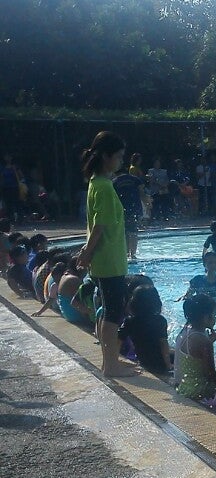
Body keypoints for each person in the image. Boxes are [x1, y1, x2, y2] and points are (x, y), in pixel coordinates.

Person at [77, 131, 138, 377]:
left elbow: (95, 224)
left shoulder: (95, 182)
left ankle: (109, 361)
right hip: (109, 260)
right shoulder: (103, 186)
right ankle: (111, 365)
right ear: (106, 156)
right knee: (113, 314)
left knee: (109, 312)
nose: (121, 160)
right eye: (119, 156)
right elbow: (99, 227)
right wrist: (86, 253)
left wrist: (87, 253)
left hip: (105, 259)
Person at [118, 285, 171, 376]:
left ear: (134, 302)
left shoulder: (130, 321)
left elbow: (118, 339)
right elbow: (163, 344)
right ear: (156, 302)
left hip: (143, 360)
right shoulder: (160, 320)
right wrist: (168, 365)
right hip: (159, 363)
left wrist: (116, 357)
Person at [173, 294, 216, 400]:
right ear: (206, 317)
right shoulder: (203, 340)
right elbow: (210, 374)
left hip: (182, 385)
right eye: (214, 314)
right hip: (196, 390)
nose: (215, 318)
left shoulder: (186, 330)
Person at [112, 166, 145, 260]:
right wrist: (147, 203)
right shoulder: (135, 179)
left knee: (124, 232)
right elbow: (142, 193)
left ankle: (126, 253)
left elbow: (113, 198)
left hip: (121, 210)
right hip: (135, 209)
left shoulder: (114, 181)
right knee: (134, 231)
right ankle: (133, 254)